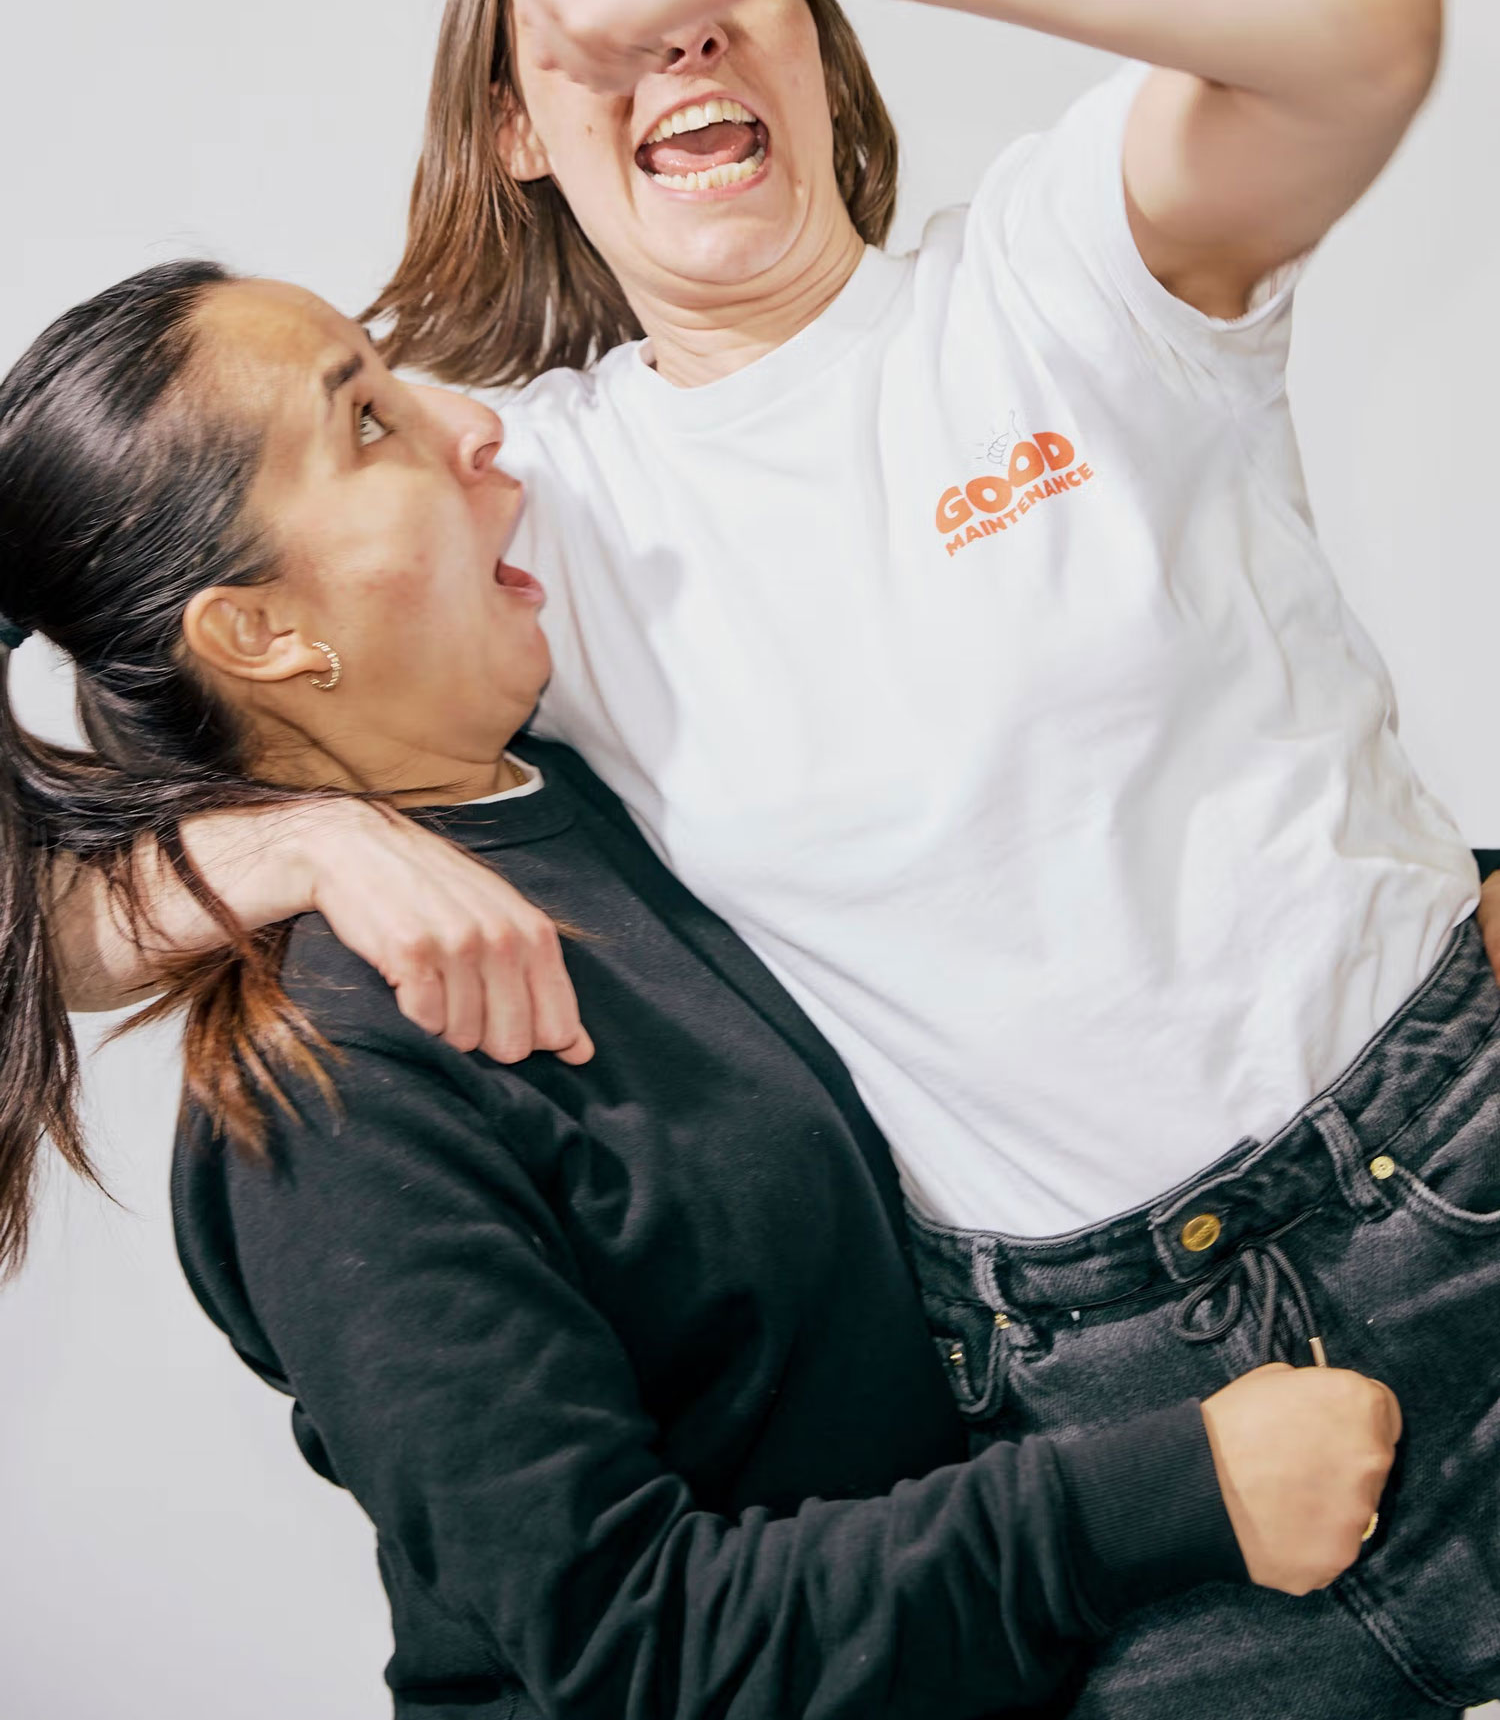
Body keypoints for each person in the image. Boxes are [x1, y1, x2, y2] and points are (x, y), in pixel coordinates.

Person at [47, 0, 1500, 1713]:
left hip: (1457, 1139)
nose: (686, 37)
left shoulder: (1063, 275)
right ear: (513, 127)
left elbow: (1368, 9)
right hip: (1113, 1387)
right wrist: (290, 853)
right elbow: (160, 634)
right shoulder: (510, 492)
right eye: (601, 19)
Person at [0, 262, 1399, 1720]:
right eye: (365, 421)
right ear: (264, 635)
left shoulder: (583, 785)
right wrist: (1170, 1493)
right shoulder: (329, 1094)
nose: (469, 425)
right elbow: (633, 1646)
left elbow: (1024, 832)